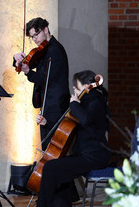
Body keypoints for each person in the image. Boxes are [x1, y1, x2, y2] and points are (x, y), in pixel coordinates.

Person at [36, 70, 111, 207]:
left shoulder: (96, 102)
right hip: (85, 154)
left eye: (76, 88)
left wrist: (75, 104)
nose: (74, 91)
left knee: (50, 168)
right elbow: (68, 126)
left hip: (94, 156)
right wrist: (46, 123)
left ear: (86, 86)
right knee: (58, 171)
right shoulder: (87, 102)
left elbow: (85, 120)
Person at [13, 17, 70, 150]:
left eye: (36, 35)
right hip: (47, 104)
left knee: (52, 148)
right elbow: (30, 62)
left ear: (46, 29)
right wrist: (17, 59)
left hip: (56, 105)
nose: (35, 39)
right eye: (32, 37)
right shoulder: (44, 50)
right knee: (46, 147)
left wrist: (28, 72)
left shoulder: (55, 51)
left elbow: (45, 79)